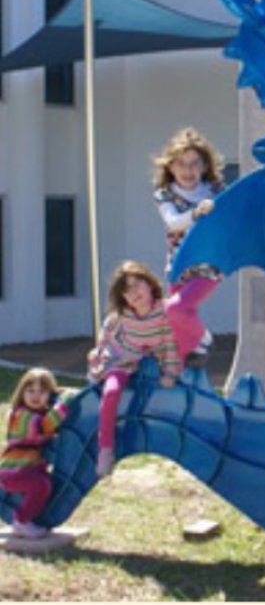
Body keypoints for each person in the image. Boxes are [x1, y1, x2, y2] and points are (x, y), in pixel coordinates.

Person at [88, 260, 182, 478]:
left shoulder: (163, 311)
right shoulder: (123, 314)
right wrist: (98, 351)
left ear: (149, 283)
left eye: (137, 284)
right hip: (120, 359)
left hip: (148, 361)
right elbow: (107, 331)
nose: (134, 293)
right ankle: (106, 449)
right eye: (127, 291)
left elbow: (169, 343)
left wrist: (170, 371)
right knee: (111, 392)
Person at [152, 127, 225, 366]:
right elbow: (173, 223)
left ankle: (203, 339)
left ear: (205, 166)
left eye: (195, 164)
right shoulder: (164, 195)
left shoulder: (216, 192)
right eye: (181, 164)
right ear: (170, 167)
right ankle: (187, 372)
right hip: (178, 266)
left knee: (173, 309)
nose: (188, 170)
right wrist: (196, 212)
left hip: (208, 266)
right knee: (179, 321)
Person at [0, 368, 73, 539]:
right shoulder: (22, 415)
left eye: (42, 391)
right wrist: (65, 400)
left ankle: (33, 519)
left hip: (28, 468)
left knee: (46, 484)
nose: (36, 395)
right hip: (13, 472)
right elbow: (47, 425)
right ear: (21, 392)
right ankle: (21, 521)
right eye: (31, 390)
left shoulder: (36, 413)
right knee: (41, 485)